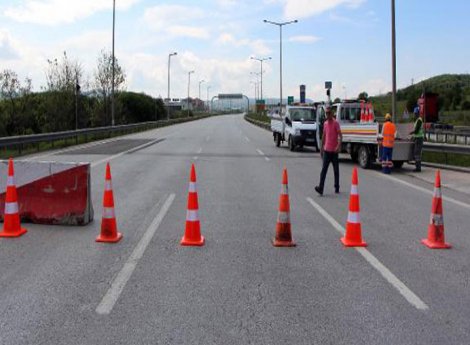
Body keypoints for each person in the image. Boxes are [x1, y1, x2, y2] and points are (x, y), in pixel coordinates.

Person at [315, 106, 342, 195]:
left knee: (336, 171)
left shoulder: (336, 123)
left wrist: (338, 146)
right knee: (323, 171)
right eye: (326, 113)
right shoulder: (325, 123)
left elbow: (340, 136)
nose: (327, 115)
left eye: (329, 113)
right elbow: (323, 136)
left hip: (334, 151)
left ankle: (337, 187)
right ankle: (321, 188)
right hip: (327, 150)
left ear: (332, 113)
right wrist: (321, 148)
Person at [409, 107, 424, 172]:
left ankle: (418, 168)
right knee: (416, 152)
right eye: (414, 113)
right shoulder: (417, 120)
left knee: (417, 153)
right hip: (417, 138)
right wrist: (413, 136)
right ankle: (417, 167)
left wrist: (411, 133)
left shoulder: (419, 120)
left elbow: (417, 131)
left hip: (419, 138)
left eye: (415, 113)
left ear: (418, 113)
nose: (414, 114)